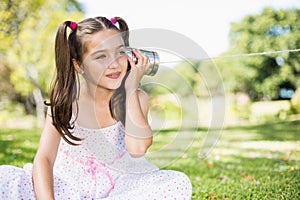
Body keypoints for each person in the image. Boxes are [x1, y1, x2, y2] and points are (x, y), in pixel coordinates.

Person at [0, 16, 192, 199]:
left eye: (119, 53)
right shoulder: (65, 102)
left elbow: (138, 149)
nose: (114, 64)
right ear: (79, 66)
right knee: (5, 178)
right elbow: (44, 159)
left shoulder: (136, 98)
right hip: (65, 190)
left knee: (176, 182)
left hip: (117, 191)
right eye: (101, 56)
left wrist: (132, 87)